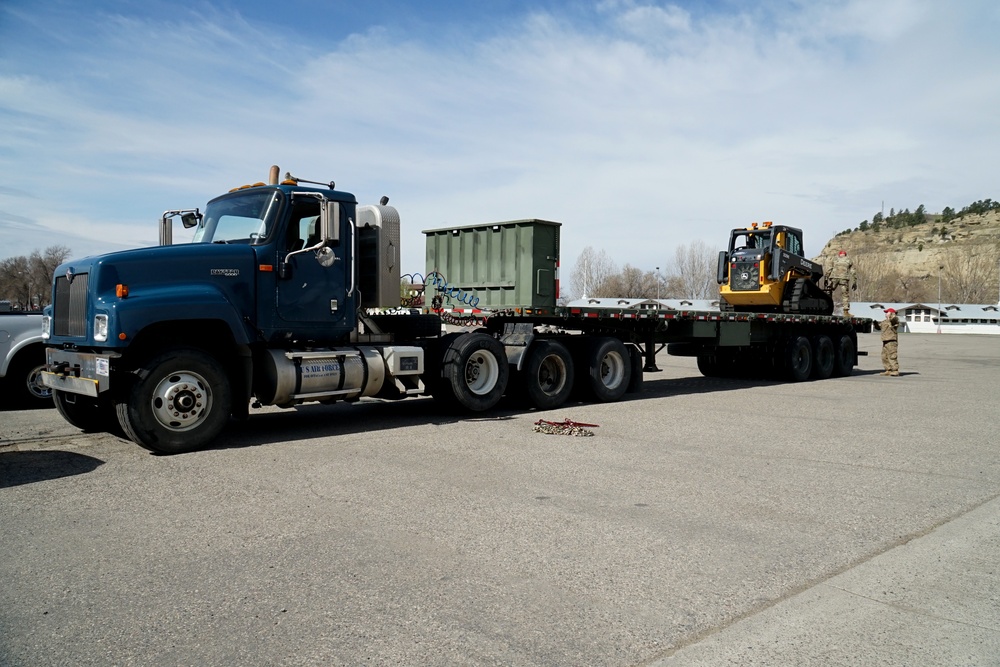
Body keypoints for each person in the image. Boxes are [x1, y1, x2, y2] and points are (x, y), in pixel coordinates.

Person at [827, 250, 857, 316]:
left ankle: (827, 307)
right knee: (845, 295)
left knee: (829, 291)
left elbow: (829, 269)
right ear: (845, 255)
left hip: (834, 277)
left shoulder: (835, 259)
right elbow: (853, 272)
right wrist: (854, 282)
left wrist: (827, 278)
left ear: (839, 255)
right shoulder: (849, 260)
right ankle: (846, 312)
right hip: (844, 278)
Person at [878, 308, 900, 376]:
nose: (885, 313)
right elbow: (879, 327)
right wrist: (875, 323)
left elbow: (894, 322)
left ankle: (895, 370)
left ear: (891, 313)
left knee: (892, 356)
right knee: (884, 356)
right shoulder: (884, 321)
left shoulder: (894, 320)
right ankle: (888, 370)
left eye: (887, 312)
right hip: (885, 340)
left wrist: (892, 316)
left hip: (891, 341)